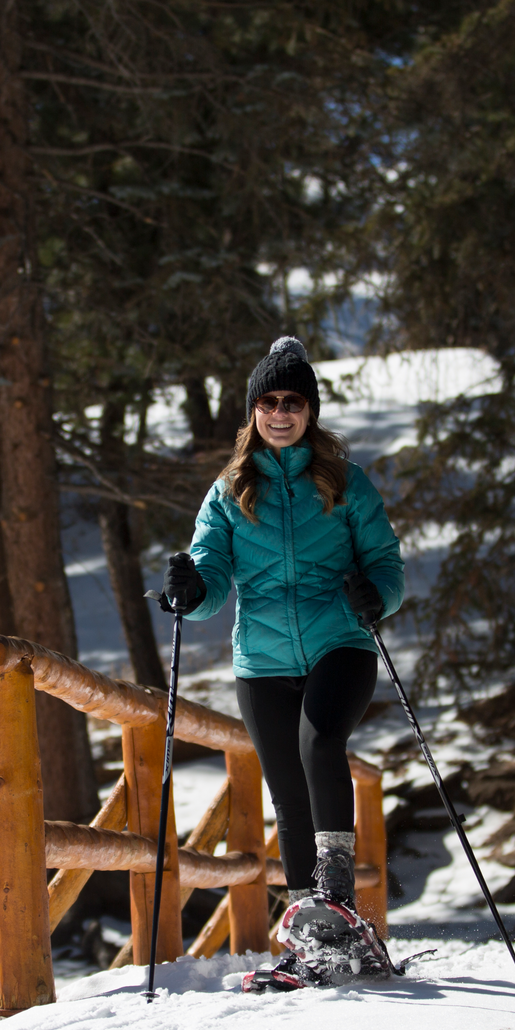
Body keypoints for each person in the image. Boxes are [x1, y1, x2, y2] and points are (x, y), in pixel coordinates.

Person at [163, 336, 405, 991]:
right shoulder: (230, 490)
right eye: (267, 401)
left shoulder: (344, 483)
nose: (279, 412)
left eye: (291, 401)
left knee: (320, 742)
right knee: (289, 800)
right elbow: (212, 575)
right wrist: (189, 589)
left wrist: (375, 594)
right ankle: (313, 941)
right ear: (253, 411)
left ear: (310, 409)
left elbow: (387, 562)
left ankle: (337, 903)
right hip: (262, 661)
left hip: (341, 642)